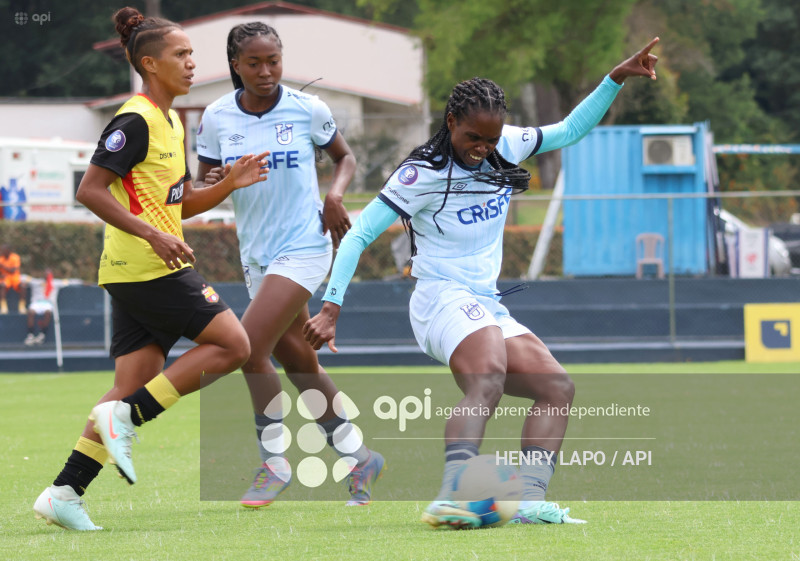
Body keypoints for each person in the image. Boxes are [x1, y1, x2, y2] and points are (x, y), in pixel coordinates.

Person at [304, 38, 661, 528]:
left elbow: (570, 130)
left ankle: (529, 501)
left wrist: (615, 77)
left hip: (485, 302)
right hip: (439, 298)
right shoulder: (420, 174)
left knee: (557, 386)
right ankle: (454, 491)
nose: (483, 148)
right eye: (473, 136)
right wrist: (330, 306)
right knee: (488, 376)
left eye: (490, 139)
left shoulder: (505, 144)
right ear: (451, 121)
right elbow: (360, 234)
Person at [33, 7, 269, 532]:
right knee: (234, 345)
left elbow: (178, 204)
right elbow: (90, 190)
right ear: (149, 64)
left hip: (141, 268)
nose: (191, 63)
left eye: (191, 54)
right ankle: (129, 418)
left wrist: (229, 184)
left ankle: (65, 492)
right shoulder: (135, 120)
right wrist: (153, 235)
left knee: (131, 382)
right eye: (181, 54)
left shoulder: (171, 121)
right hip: (147, 267)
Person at [196, 22, 384, 509]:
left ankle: (273, 463)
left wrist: (335, 195)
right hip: (256, 253)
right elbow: (201, 183)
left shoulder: (307, 108)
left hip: (304, 246)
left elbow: (345, 158)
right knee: (299, 361)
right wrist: (217, 181)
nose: (266, 71)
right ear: (235, 65)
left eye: (273, 61)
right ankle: (360, 458)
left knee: (247, 348)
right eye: (254, 63)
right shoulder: (216, 116)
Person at [22, 272, 82, 346]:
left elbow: (70, 282)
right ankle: (30, 335)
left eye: (48, 274)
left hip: (48, 303)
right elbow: (23, 278)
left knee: (48, 312)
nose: (47, 276)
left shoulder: (55, 283)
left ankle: (42, 335)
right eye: (45, 274)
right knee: (31, 312)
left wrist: (83, 282)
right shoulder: (36, 282)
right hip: (36, 303)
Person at [0, 244, 28, 314]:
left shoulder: (15, 257)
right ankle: (3, 307)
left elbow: (13, 271)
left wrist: (2, 266)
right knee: (2, 285)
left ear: (8, 251)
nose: (2, 252)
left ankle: (22, 306)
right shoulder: (1, 258)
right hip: (5, 278)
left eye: (3, 250)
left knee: (23, 286)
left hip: (15, 277)